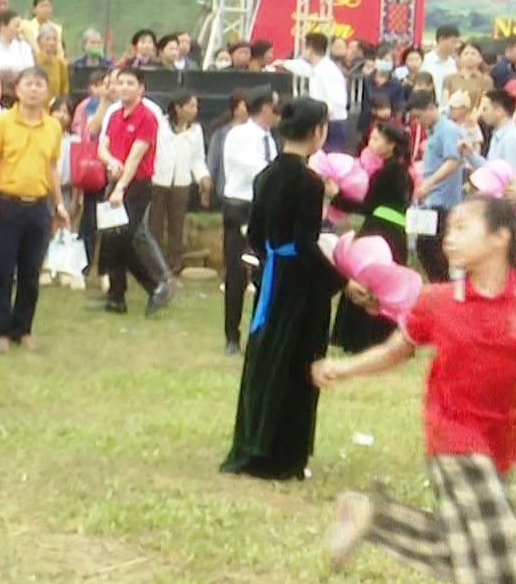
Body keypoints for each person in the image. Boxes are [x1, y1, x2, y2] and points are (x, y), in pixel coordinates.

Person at [316, 197, 516, 584]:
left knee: (477, 552)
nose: (448, 238)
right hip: (451, 435)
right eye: (448, 228)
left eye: (461, 227)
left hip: (499, 442)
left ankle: (379, 520)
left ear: (500, 237)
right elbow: (396, 350)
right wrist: (344, 368)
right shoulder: (435, 300)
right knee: (499, 540)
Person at [221, 98, 346, 481]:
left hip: (273, 279)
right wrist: (341, 282)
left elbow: (257, 235)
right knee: (296, 364)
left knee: (266, 359)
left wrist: (271, 265)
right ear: (317, 131)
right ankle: (284, 454)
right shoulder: (308, 182)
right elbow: (305, 243)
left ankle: (253, 442)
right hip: (300, 285)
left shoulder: (266, 176)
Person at [0, 66, 68, 352]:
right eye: (28, 84)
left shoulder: (53, 126)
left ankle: (24, 328)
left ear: (47, 91)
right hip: (6, 203)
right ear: (17, 90)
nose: (33, 90)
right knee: (1, 269)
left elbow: (52, 167)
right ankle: (0, 330)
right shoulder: (2, 123)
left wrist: (59, 204)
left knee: (31, 271)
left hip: (39, 205)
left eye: (39, 85)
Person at [330, 121, 415, 354]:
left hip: (380, 231)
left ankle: (361, 337)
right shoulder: (402, 172)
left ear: (390, 145)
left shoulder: (386, 173)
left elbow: (367, 207)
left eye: (377, 139)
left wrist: (336, 197)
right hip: (394, 233)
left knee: (368, 281)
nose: (371, 143)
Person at [97, 66, 173, 316]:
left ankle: (154, 285)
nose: (124, 88)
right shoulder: (115, 115)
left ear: (141, 88)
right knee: (112, 239)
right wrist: (111, 161)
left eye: (130, 83)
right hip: (115, 180)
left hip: (137, 186)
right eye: (121, 83)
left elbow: (135, 157)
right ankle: (117, 297)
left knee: (123, 238)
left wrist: (120, 188)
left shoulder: (146, 117)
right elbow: (102, 147)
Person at [151, 92, 211, 274]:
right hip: (158, 181)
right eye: (191, 106)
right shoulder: (160, 125)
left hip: (181, 184)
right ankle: (152, 264)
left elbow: (197, 159)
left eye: (196, 106)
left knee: (177, 226)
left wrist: (203, 177)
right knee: (155, 225)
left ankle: (174, 265)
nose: (195, 110)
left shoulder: (196, 131)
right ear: (178, 108)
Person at [409, 90, 464, 283]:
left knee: (431, 247)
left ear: (431, 108)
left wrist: (430, 183)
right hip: (430, 197)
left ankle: (442, 285)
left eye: (419, 116)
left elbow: (453, 161)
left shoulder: (448, 130)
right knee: (425, 247)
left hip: (442, 198)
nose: (418, 122)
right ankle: (439, 284)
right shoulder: (433, 132)